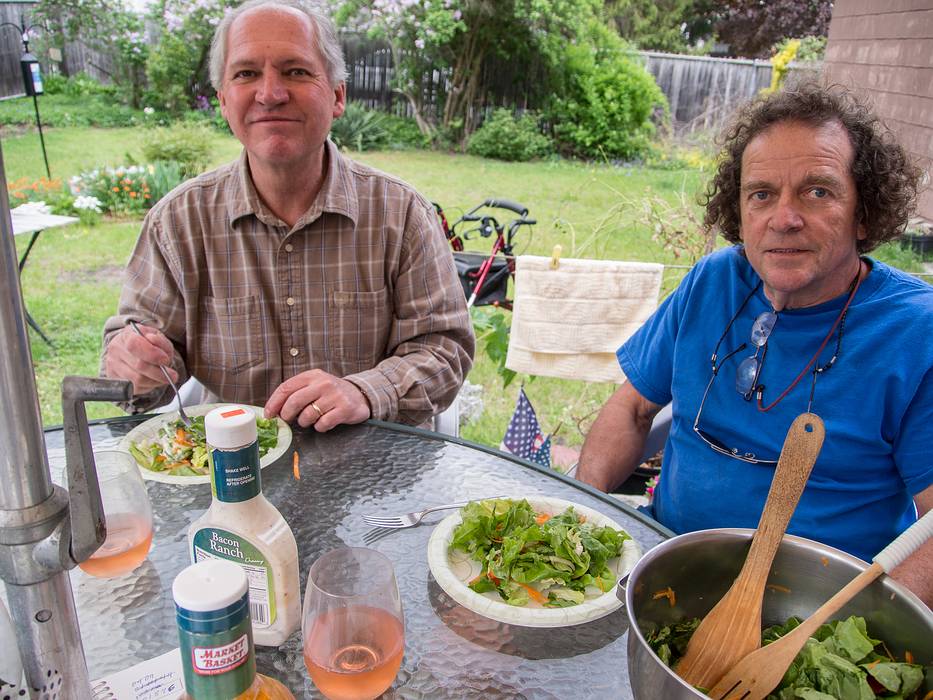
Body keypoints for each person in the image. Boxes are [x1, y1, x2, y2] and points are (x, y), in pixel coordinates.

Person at [577, 81, 933, 605]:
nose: (783, 219)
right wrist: (585, 520)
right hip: (665, 563)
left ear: (863, 213)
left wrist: (855, 635)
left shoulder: (914, 332)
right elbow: (631, 409)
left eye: (817, 191)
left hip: (815, 609)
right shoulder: (712, 281)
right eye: (761, 194)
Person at [100, 0, 474, 431]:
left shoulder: (401, 214)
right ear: (223, 101)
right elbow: (139, 367)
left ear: (337, 96)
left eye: (296, 71)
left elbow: (444, 350)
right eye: (246, 74)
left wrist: (366, 391)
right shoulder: (178, 222)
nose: (271, 94)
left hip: (374, 471)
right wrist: (134, 364)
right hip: (236, 474)